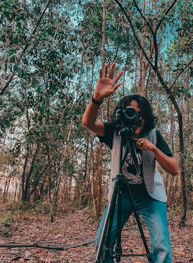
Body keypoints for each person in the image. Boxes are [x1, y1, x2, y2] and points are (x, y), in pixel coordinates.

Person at [82, 62, 179, 263]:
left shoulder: (153, 135)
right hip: (121, 194)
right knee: (102, 242)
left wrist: (153, 149)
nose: (137, 118)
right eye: (131, 113)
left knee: (161, 245)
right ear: (123, 114)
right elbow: (88, 123)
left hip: (150, 195)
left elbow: (174, 169)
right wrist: (97, 99)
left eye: (140, 114)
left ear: (146, 116)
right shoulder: (114, 132)